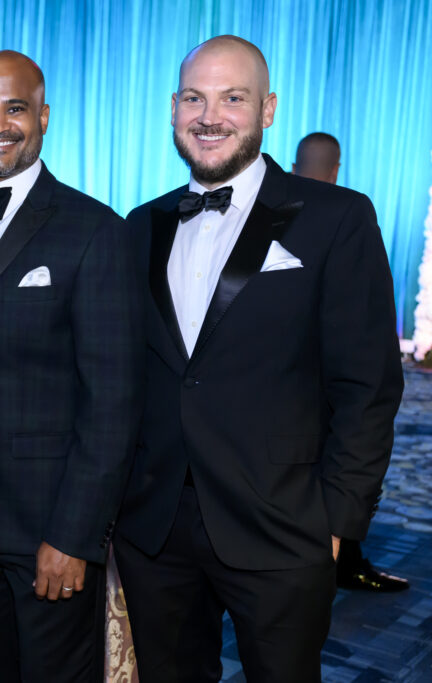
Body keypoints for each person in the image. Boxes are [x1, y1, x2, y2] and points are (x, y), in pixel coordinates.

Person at [113, 35, 403, 682]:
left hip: (282, 524)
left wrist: (337, 523)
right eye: (195, 97)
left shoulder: (338, 217)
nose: (209, 115)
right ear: (172, 107)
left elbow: (368, 385)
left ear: (267, 109)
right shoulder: (141, 224)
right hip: (156, 530)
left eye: (232, 98)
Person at [0, 50, 142, 682]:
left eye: (15, 108)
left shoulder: (95, 230)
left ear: (44, 117)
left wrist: (74, 535)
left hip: (47, 526)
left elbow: (114, 400)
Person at [293, 131, 409, 593]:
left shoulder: (344, 215)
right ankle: (345, 552)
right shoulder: (347, 216)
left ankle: (346, 550)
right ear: (336, 167)